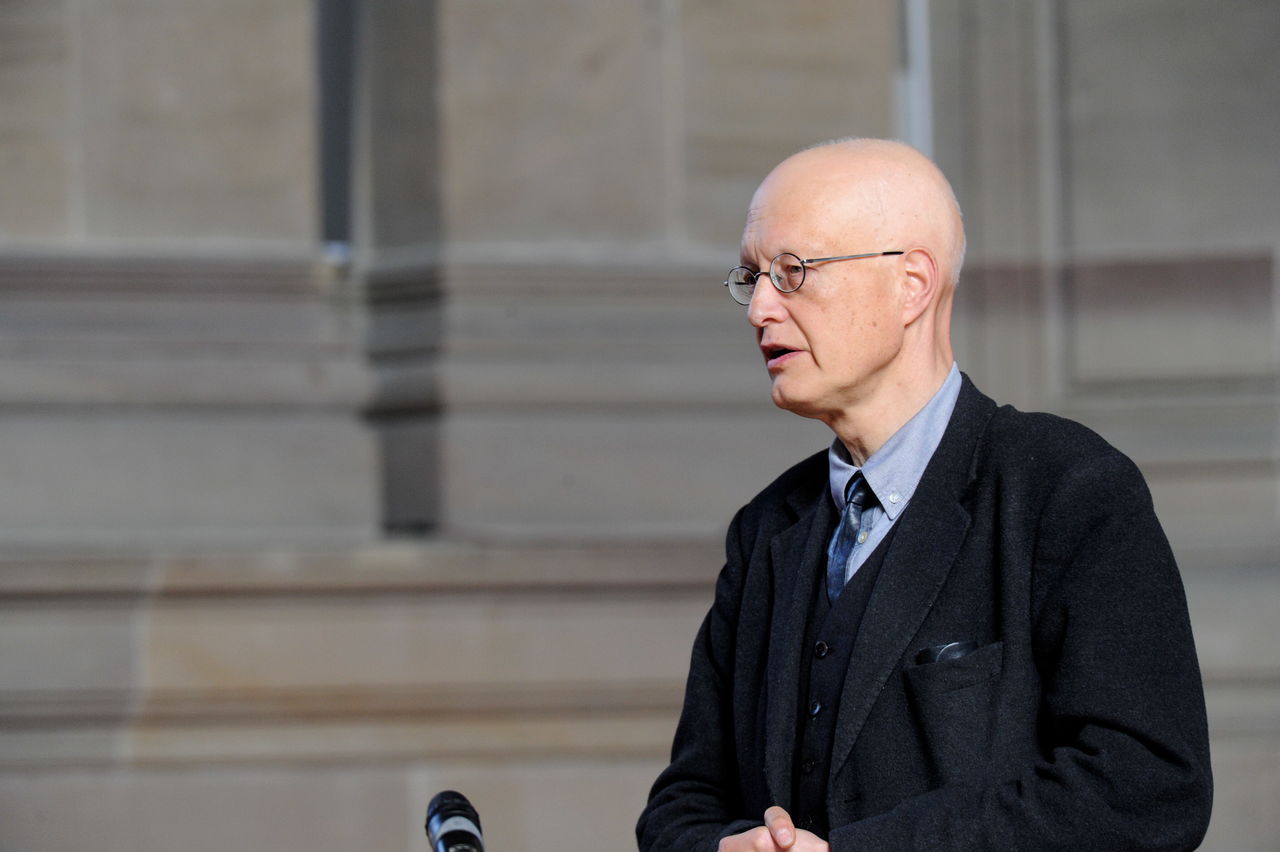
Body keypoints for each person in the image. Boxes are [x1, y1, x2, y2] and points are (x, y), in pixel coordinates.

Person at [636, 138, 1212, 851]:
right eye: (751, 277)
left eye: (792, 272)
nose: (758, 309)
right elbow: (683, 804)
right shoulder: (765, 531)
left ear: (912, 284)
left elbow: (1145, 787)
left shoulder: (1067, 490)